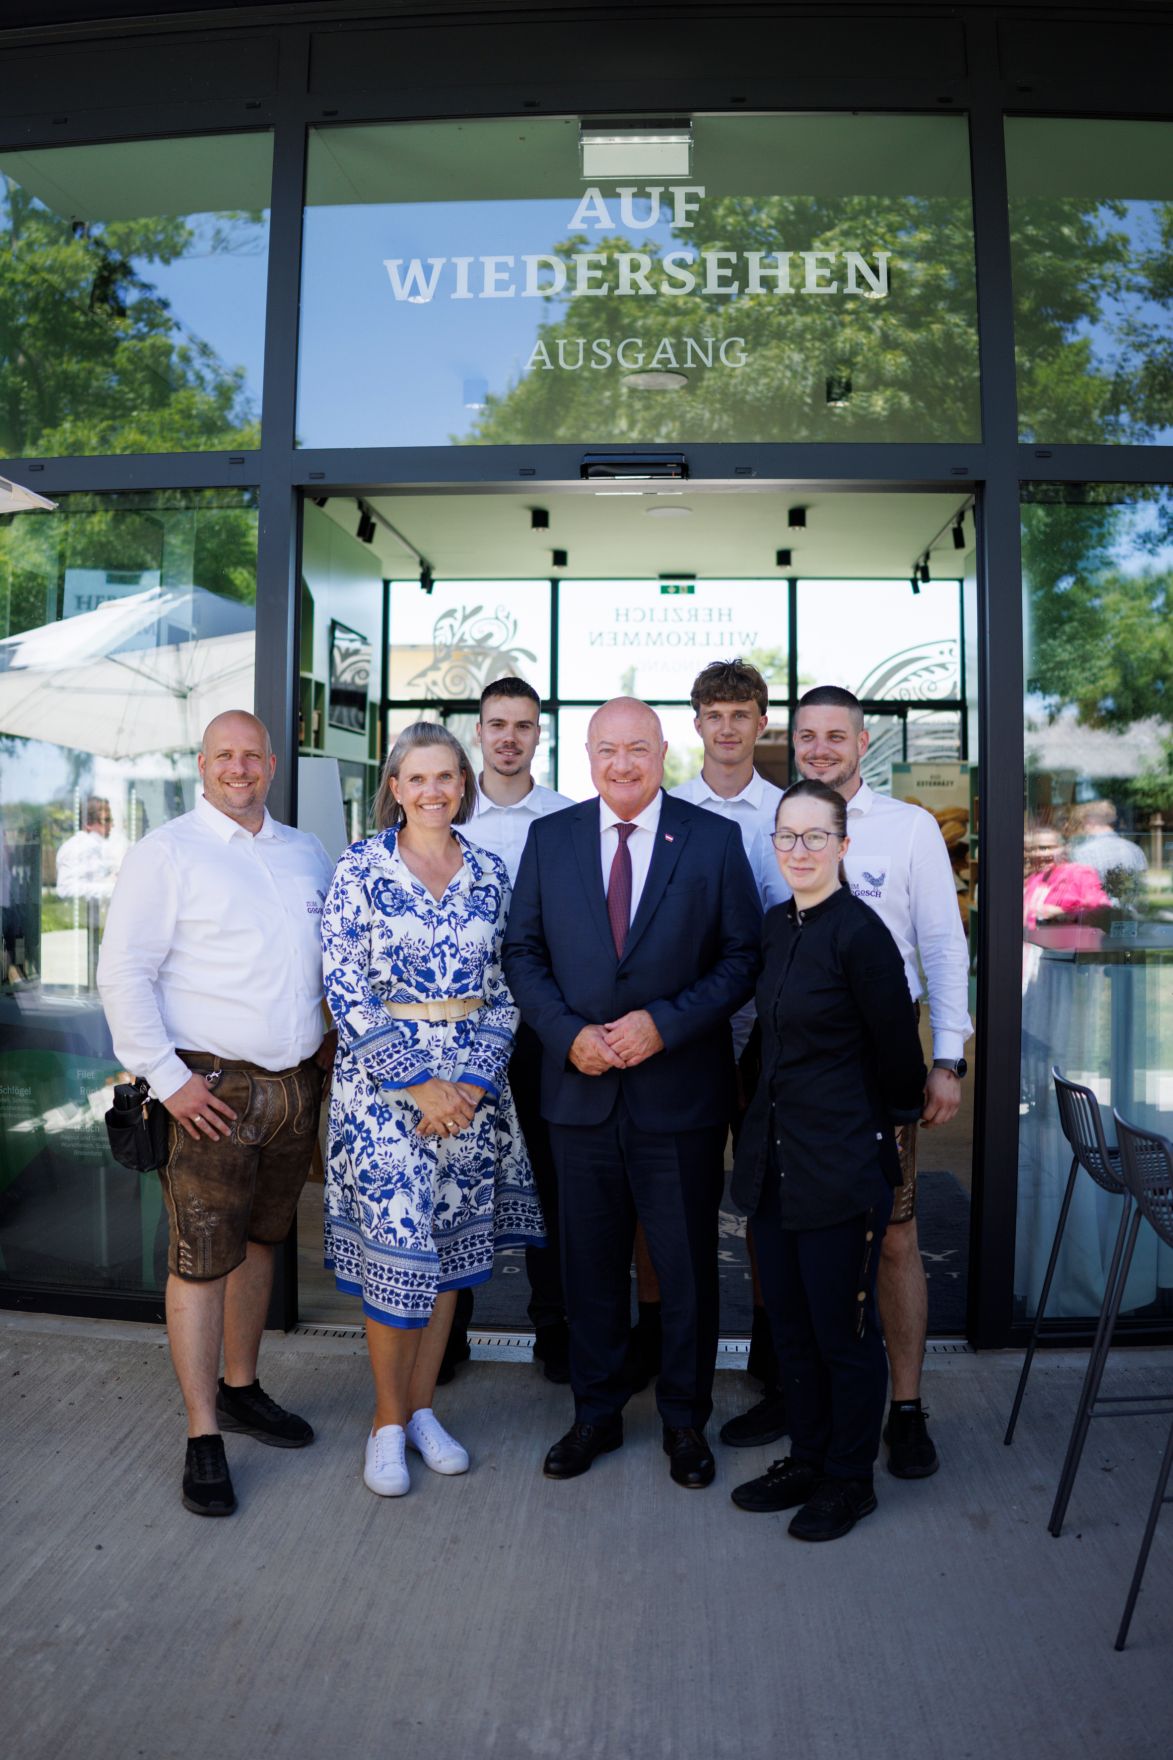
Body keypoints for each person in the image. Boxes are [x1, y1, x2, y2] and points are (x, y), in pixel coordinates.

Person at [503, 697, 761, 1489]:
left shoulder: (712, 839)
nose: (622, 764)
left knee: (684, 1271)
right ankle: (595, 1413)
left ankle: (684, 1421)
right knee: (587, 1268)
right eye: (607, 749)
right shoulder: (550, 838)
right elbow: (521, 952)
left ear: (662, 752)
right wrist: (564, 1034)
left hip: (677, 1095)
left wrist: (663, 1025)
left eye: (638, 748)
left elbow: (740, 957)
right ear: (587, 756)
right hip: (577, 1093)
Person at [97, 711, 335, 1518]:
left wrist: (327, 1045)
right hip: (208, 1094)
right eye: (223, 756)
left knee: (261, 1242)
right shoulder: (167, 852)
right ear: (202, 765)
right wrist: (167, 1080)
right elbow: (123, 973)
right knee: (200, 1260)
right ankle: (203, 1434)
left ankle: (241, 1388)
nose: (239, 768)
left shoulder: (306, 852)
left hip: (293, 1089)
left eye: (251, 756)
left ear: (272, 764)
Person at [320, 721, 544, 1499]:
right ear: (394, 787)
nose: (432, 791)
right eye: (416, 778)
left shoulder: (489, 872)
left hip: (471, 1092)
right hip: (385, 1094)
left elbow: (509, 985)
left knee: (447, 1256)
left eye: (445, 776)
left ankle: (420, 1411)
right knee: (399, 1255)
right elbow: (343, 986)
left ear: (463, 784)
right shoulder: (359, 867)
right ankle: (385, 1424)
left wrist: (472, 1084)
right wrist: (418, 1083)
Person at [778, 684, 973, 1479]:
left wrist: (947, 1058)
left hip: (879, 1059)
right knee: (791, 1230)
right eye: (807, 736)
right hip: (792, 1064)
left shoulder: (908, 826)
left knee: (892, 1232)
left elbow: (942, 943)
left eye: (836, 735)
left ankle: (906, 1407)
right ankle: (805, 1402)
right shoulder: (784, 826)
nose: (820, 748)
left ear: (863, 744)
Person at [730, 780, 927, 1540]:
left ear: (843, 846)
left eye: (816, 836)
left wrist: (866, 1138)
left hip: (840, 1169)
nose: (800, 850)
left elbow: (899, 1066)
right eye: (788, 836)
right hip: (776, 1164)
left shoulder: (861, 936)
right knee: (792, 1326)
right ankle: (807, 1459)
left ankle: (850, 1479)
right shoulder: (777, 926)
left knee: (843, 1335)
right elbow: (767, 1041)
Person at [664, 659, 787, 1442]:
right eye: (714, 714)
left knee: (768, 1197)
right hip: (691, 1033)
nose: (728, 728)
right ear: (697, 724)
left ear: (760, 723)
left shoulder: (787, 812)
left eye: (741, 714)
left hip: (771, 1036)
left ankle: (773, 1352)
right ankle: (670, 1340)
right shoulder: (670, 811)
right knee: (677, 1193)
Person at [462, 676, 574, 1384]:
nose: (509, 737)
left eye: (523, 725)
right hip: (460, 1025)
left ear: (539, 735)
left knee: (548, 1175)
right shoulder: (442, 811)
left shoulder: (566, 818)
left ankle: (555, 1326)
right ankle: (449, 1328)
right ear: (478, 732)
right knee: (457, 1173)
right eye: (497, 724)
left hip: (539, 1025)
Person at [1065, 799, 1147, 907]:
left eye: (1081, 822)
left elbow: (1078, 897)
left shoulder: (1080, 853)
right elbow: (1143, 894)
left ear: (1090, 821)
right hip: (1131, 915)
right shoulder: (1135, 850)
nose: (1081, 827)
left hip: (1097, 915)